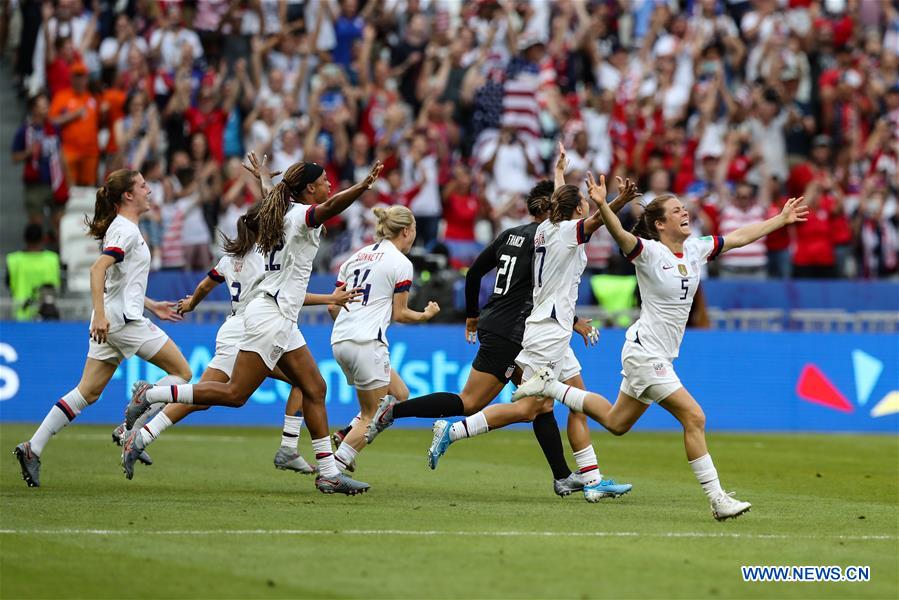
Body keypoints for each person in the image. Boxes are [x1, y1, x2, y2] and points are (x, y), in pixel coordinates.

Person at [513, 190, 808, 521]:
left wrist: (780, 220)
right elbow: (620, 234)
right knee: (694, 417)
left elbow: (739, 237)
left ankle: (549, 386)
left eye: (685, 209)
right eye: (677, 210)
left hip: (657, 355)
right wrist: (602, 205)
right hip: (645, 354)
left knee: (615, 422)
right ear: (660, 223)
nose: (685, 213)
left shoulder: (695, 249)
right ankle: (717, 499)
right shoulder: (648, 253)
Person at [368, 147, 636, 501]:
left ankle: (586, 479)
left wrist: (561, 172)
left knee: (555, 402)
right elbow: (597, 222)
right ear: (578, 210)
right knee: (531, 407)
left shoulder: (544, 232)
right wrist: (614, 201)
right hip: (542, 330)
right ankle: (453, 432)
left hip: (540, 325)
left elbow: (485, 265)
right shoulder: (565, 233)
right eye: (582, 203)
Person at [126, 160, 384, 495]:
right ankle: (152, 395)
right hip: (271, 314)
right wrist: (362, 187)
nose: (329, 185)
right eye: (324, 181)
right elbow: (331, 207)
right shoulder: (302, 216)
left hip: (278, 314)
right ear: (309, 189)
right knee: (234, 394)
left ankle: (328, 473)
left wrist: (264, 179)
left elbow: (276, 196)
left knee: (314, 387)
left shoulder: (282, 211)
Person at [14, 169, 191, 487]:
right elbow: (97, 270)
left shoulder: (121, 229)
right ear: (128, 195)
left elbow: (119, 282)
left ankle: (32, 448)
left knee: (87, 392)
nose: (148, 189)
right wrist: (99, 315)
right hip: (122, 321)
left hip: (113, 318)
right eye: (142, 185)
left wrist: (152, 305)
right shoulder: (126, 231)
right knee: (183, 373)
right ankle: (129, 427)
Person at [328, 205, 440, 473]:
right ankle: (333, 467)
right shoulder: (401, 263)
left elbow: (333, 306)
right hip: (367, 343)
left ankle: (347, 433)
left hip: (340, 340)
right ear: (406, 231)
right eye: (414, 230)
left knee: (400, 394)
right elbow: (399, 314)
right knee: (373, 416)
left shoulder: (354, 258)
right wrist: (425, 315)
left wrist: (352, 324)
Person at [10, 93, 68, 243]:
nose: (46, 107)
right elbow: (14, 157)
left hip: (55, 181)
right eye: (41, 105)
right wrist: (28, 152)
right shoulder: (25, 131)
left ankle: (58, 255)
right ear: (33, 108)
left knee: (59, 221)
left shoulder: (54, 128)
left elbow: (61, 154)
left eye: (46, 104)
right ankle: (37, 253)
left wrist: (68, 180)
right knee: (36, 223)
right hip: (35, 184)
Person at [5, 224, 61, 321]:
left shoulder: (13, 260)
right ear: (42, 238)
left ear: (25, 238)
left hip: (20, 317)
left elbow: (8, 284)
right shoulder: (53, 259)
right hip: (48, 317)